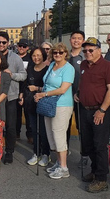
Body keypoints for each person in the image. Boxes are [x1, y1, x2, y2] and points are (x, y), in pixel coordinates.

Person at [76, 37, 110, 193]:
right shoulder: (84, 65)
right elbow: (85, 84)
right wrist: (79, 93)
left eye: (90, 50)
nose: (87, 53)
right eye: (85, 50)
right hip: (84, 109)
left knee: (100, 146)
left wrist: (102, 110)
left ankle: (102, 179)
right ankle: (94, 171)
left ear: (99, 50)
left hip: (100, 111)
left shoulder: (108, 66)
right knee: (88, 144)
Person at [0, 31, 26, 165]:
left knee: (10, 126)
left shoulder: (15, 58)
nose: (1, 44)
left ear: (8, 43)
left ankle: (9, 152)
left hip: (10, 97)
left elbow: (23, 75)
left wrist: (12, 74)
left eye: (4, 42)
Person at [35, 43, 75, 179]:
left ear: (65, 54)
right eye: (55, 52)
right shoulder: (52, 65)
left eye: (61, 52)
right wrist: (40, 93)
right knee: (51, 135)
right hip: (49, 103)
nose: (58, 54)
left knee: (59, 135)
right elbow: (47, 83)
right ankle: (58, 162)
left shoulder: (68, 68)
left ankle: (64, 167)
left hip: (62, 104)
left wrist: (43, 95)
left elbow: (63, 89)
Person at [23, 47, 50, 166]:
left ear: (43, 56)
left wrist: (38, 89)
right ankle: (36, 153)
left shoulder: (48, 70)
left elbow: (50, 87)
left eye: (39, 55)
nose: (36, 58)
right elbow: (25, 84)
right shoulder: (29, 69)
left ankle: (46, 154)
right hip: (30, 102)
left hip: (44, 102)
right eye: (34, 55)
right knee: (34, 129)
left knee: (43, 130)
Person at [67, 30, 88, 167]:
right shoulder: (64, 56)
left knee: (82, 127)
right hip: (66, 96)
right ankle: (64, 152)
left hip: (81, 97)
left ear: (83, 40)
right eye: (74, 38)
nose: (76, 41)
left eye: (79, 38)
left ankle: (84, 155)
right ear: (70, 40)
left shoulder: (87, 56)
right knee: (65, 127)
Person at [16, 38, 33, 144]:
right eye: (20, 45)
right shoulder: (13, 57)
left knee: (28, 113)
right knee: (16, 114)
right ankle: (16, 133)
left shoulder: (30, 59)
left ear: (27, 48)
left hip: (26, 89)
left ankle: (30, 135)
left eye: (24, 46)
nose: (21, 48)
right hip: (15, 88)